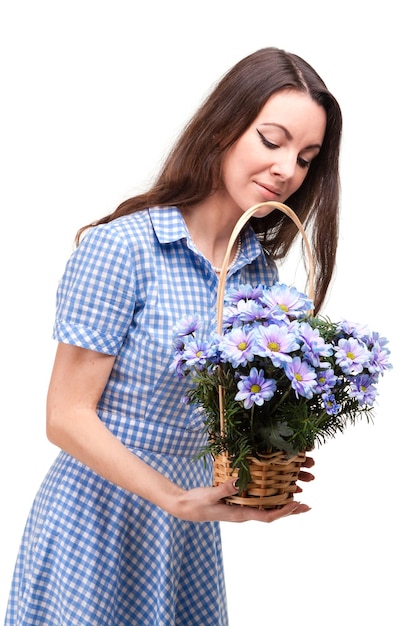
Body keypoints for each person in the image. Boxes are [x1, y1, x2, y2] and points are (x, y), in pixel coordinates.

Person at [5, 46, 342, 625]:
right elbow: (64, 415)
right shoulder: (124, 249)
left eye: (307, 157)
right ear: (223, 129)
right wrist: (172, 497)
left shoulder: (260, 276)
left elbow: (223, 415)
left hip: (185, 534)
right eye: (273, 140)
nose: (288, 169)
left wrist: (265, 451)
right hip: (96, 520)